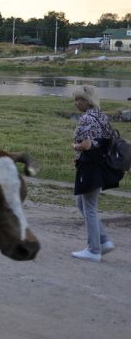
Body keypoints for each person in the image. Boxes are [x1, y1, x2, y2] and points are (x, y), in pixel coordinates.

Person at [71, 84, 117, 262]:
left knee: (89, 208)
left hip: (90, 167)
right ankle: (103, 241)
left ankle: (94, 250)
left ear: (87, 100)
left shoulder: (86, 119)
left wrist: (75, 147)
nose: (76, 103)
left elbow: (86, 145)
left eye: (78, 100)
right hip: (100, 165)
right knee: (82, 203)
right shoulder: (101, 116)